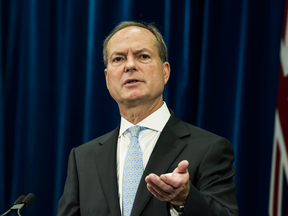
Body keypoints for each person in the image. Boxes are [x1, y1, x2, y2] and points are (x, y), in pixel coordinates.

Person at [57, 21, 238, 216]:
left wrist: (184, 199)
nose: (130, 65)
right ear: (107, 79)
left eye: (143, 56)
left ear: (165, 71)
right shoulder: (83, 158)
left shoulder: (209, 149)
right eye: (118, 59)